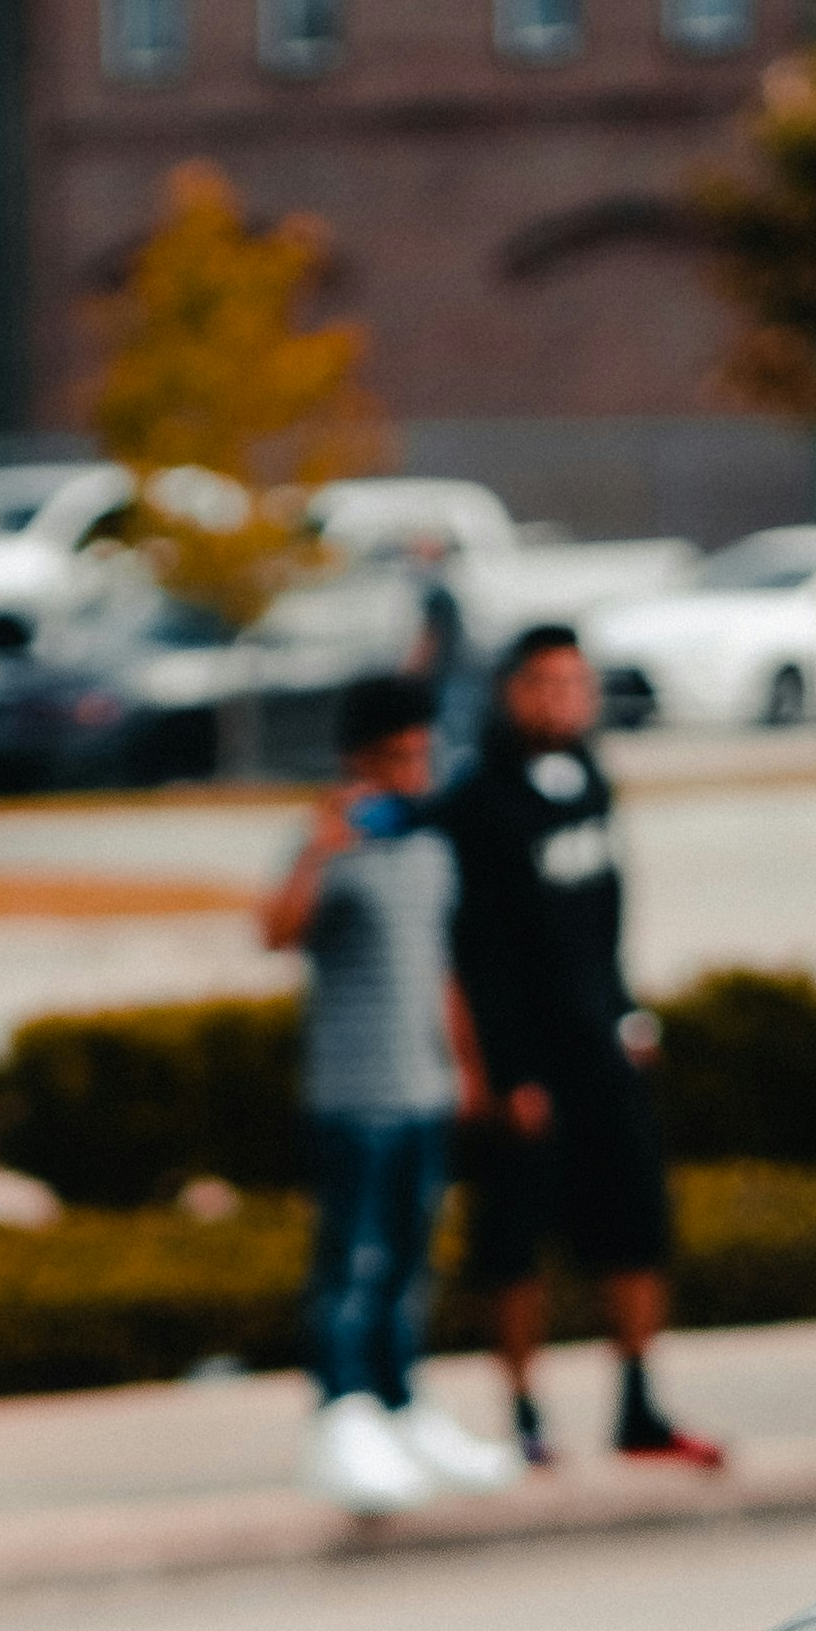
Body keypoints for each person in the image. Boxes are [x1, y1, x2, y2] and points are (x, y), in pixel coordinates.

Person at [437, 622, 725, 1468]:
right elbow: (474, 953)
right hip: (528, 1063)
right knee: (516, 1239)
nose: (565, 700)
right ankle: (525, 1413)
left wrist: (628, 1016)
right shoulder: (478, 802)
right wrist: (504, 1070)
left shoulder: (591, 782)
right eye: (547, 684)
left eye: (578, 684)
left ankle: (638, 1404)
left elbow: (604, 927)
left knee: (637, 1220)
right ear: (513, 691)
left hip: (604, 1046)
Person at [266, 677, 505, 1510]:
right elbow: (275, 933)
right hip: (353, 1088)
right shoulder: (336, 844)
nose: (414, 769)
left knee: (411, 1261)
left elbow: (440, 966)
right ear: (358, 762)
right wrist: (315, 851)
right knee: (354, 1264)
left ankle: (404, 1406)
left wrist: (466, 1065)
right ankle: (343, 1411)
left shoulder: (429, 845)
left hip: (422, 1087)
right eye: (396, 757)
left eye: (421, 753)